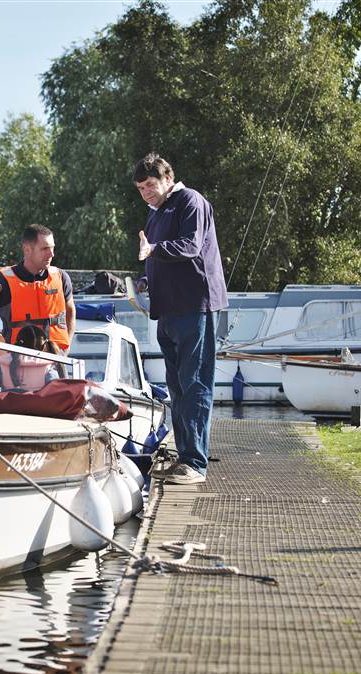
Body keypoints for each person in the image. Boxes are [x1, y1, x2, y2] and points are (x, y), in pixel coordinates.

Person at [133, 152, 228, 485]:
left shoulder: (190, 201)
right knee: (177, 386)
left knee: (195, 383)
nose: (146, 191)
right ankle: (185, 455)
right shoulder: (156, 214)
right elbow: (157, 256)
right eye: (141, 187)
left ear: (168, 179)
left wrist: (154, 251)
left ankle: (195, 463)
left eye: (150, 184)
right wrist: (144, 280)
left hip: (194, 305)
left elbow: (189, 247)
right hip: (168, 310)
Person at [0, 224, 76, 353]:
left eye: (52, 248)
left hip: (55, 359)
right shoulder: (3, 280)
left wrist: (66, 348)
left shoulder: (61, 277)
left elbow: (70, 311)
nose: (51, 254)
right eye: (45, 248)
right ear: (27, 249)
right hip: (17, 361)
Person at [0, 325, 64, 392]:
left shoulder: (4, 364)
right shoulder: (49, 366)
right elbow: (55, 390)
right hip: (39, 402)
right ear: (44, 346)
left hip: (10, 401)